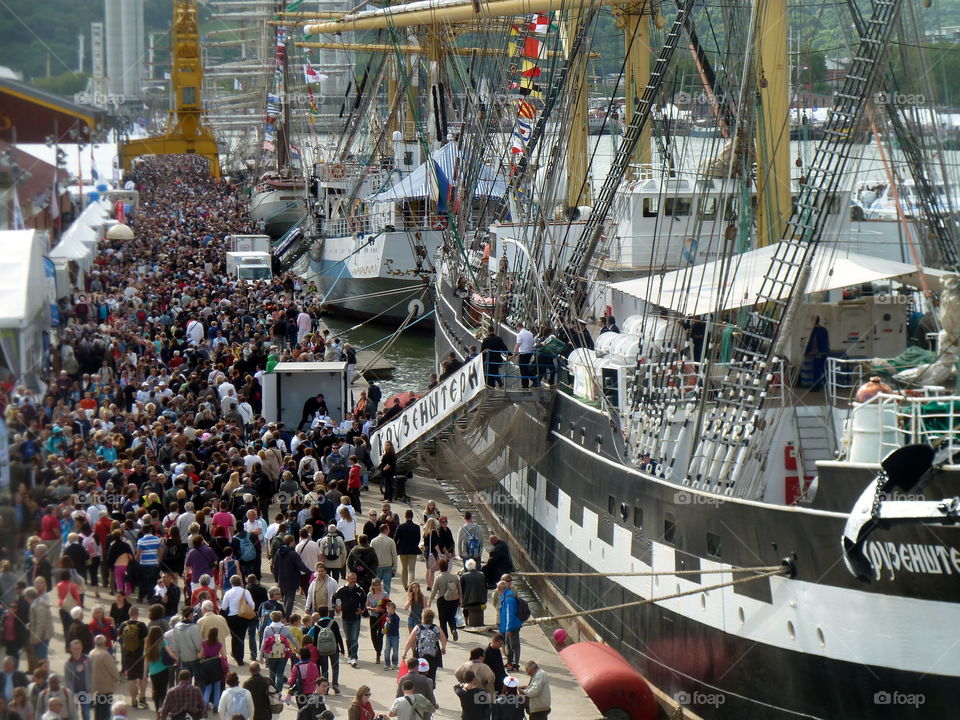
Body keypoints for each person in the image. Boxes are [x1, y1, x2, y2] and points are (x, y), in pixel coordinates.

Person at [401, 608, 445, 684]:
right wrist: (443, 648)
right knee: (431, 674)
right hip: (433, 656)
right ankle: (430, 687)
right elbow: (443, 639)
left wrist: (404, 652)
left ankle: (419, 686)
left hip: (420, 655)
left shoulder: (418, 628)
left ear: (423, 617)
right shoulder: (436, 628)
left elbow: (410, 641)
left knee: (419, 673)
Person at [272, 536, 311, 618]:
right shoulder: (293, 554)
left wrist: (276, 579)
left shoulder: (279, 552)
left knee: (285, 597)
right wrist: (310, 573)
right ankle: (286, 616)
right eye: (293, 541)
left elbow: (275, 566)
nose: (295, 543)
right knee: (290, 598)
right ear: (291, 542)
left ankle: (284, 614)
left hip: (282, 579)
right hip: (292, 579)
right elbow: (301, 565)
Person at [118, 607, 148, 709]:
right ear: (137, 614)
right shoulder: (142, 626)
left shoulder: (123, 625)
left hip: (127, 656)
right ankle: (142, 698)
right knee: (142, 677)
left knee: (131, 678)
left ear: (129, 613)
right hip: (140, 655)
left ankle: (133, 700)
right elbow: (146, 639)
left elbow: (120, 638)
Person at [333, 574, 365, 667]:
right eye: (351, 579)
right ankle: (350, 655)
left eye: (355, 579)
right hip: (345, 617)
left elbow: (364, 601)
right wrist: (336, 607)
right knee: (348, 638)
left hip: (356, 618)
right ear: (347, 579)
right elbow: (333, 597)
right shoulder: (342, 589)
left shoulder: (360, 590)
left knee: (354, 638)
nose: (353, 580)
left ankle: (354, 657)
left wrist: (361, 609)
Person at [221, 576, 255, 666]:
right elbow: (252, 604)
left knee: (234, 636)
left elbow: (224, 607)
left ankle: (235, 654)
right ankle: (240, 659)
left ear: (231, 583)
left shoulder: (228, 593)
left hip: (231, 617)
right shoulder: (245, 591)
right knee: (241, 638)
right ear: (240, 582)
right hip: (243, 617)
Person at [259, 611, 295, 689]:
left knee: (272, 674)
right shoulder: (285, 628)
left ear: (271, 618)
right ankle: (279, 693)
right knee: (280, 674)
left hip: (270, 654)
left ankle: (272, 691)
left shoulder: (268, 629)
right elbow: (293, 640)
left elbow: (263, 643)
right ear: (281, 618)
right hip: (283, 654)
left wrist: (261, 656)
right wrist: (298, 649)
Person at [428, 560, 460, 642]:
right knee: (451, 617)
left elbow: (434, 591)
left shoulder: (438, 577)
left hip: (442, 600)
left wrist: (430, 600)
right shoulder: (454, 577)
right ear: (447, 567)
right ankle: (453, 629)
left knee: (442, 619)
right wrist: (460, 600)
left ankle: (445, 635)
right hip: (454, 599)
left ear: (440, 568)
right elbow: (460, 589)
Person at [311, 613, 344, 695]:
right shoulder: (333, 622)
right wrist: (342, 648)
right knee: (335, 667)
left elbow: (315, 640)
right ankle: (335, 684)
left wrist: (315, 651)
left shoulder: (317, 625)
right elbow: (338, 636)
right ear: (327, 613)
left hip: (322, 650)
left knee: (324, 669)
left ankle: (325, 688)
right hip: (334, 649)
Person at [88, 635, 118, 720]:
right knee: (105, 712)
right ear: (104, 643)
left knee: (98, 711)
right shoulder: (105, 655)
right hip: (106, 688)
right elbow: (113, 671)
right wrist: (117, 677)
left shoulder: (91, 653)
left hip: (96, 687)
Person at [285, 648, 320, 720]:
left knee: (302, 711)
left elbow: (291, 681)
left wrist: (288, 681)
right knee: (310, 711)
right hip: (311, 691)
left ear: (300, 656)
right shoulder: (314, 666)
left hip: (300, 692)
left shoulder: (296, 666)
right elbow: (317, 678)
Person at [197, 626, 227, 708]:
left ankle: (205, 706)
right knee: (217, 688)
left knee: (208, 688)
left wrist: (197, 654)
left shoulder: (204, 643)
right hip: (216, 666)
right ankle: (216, 707)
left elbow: (200, 656)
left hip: (206, 666)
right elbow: (224, 656)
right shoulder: (219, 644)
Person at [144, 626, 172, 712]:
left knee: (156, 691)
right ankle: (161, 706)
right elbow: (170, 654)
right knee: (163, 690)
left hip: (153, 672)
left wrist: (145, 673)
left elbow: (146, 661)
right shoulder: (164, 643)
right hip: (164, 669)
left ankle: (157, 711)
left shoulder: (148, 645)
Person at [497, 582, 522, 670]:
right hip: (507, 626)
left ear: (501, 589)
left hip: (512, 626)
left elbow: (510, 615)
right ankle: (510, 662)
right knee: (508, 645)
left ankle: (515, 665)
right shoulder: (505, 596)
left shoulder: (509, 599)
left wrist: (508, 628)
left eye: (498, 588)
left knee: (514, 645)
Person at [63, 641, 91, 720]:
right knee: (74, 715)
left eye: (79, 648)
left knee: (86, 714)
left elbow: (91, 673)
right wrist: (70, 692)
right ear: (71, 649)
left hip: (85, 692)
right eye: (75, 649)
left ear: (82, 648)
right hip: (73, 693)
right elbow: (67, 679)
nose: (77, 651)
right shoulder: (68, 663)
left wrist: (91, 687)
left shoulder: (87, 660)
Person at [395, 511, 420, 591]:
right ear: (412, 516)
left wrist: (397, 547)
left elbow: (395, 538)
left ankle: (405, 585)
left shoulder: (400, 526)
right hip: (413, 550)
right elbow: (418, 539)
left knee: (404, 568)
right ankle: (411, 585)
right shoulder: (416, 527)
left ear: (405, 516)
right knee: (411, 569)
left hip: (403, 550)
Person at [370, 524, 397, 596]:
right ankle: (385, 603)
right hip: (388, 566)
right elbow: (394, 555)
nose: (389, 531)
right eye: (388, 529)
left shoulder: (373, 541)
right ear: (385, 530)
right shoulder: (391, 541)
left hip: (377, 566)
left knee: (376, 585)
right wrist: (395, 567)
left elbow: (371, 554)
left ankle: (375, 600)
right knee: (387, 586)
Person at [804, 316, 830, 391]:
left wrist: (807, 351)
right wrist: (827, 350)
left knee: (816, 371)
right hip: (824, 352)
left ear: (814, 321)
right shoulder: (824, 330)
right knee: (824, 369)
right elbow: (828, 341)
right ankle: (828, 385)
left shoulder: (814, 331)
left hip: (817, 353)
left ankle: (816, 387)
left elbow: (812, 342)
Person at [459, 560, 488, 627]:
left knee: (464, 607)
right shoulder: (482, 575)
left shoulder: (464, 576)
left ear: (467, 567)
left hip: (469, 601)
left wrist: (461, 600)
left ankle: (466, 622)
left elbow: (461, 590)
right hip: (482, 600)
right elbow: (485, 587)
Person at [514, 323, 535, 388]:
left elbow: (518, 344)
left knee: (523, 369)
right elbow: (532, 343)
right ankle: (533, 379)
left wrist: (514, 353)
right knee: (526, 368)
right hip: (530, 353)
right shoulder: (530, 333)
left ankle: (525, 385)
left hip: (523, 354)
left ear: (518, 327)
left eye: (517, 328)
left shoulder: (520, 334)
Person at [381, 602, 401, 671]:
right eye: (387, 609)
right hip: (388, 635)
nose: (388, 610)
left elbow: (396, 627)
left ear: (393, 609)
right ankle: (387, 664)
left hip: (395, 636)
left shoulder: (396, 618)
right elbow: (386, 624)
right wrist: (384, 628)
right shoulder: (388, 615)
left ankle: (395, 663)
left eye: (389, 609)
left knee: (395, 650)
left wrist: (390, 623)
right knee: (387, 650)